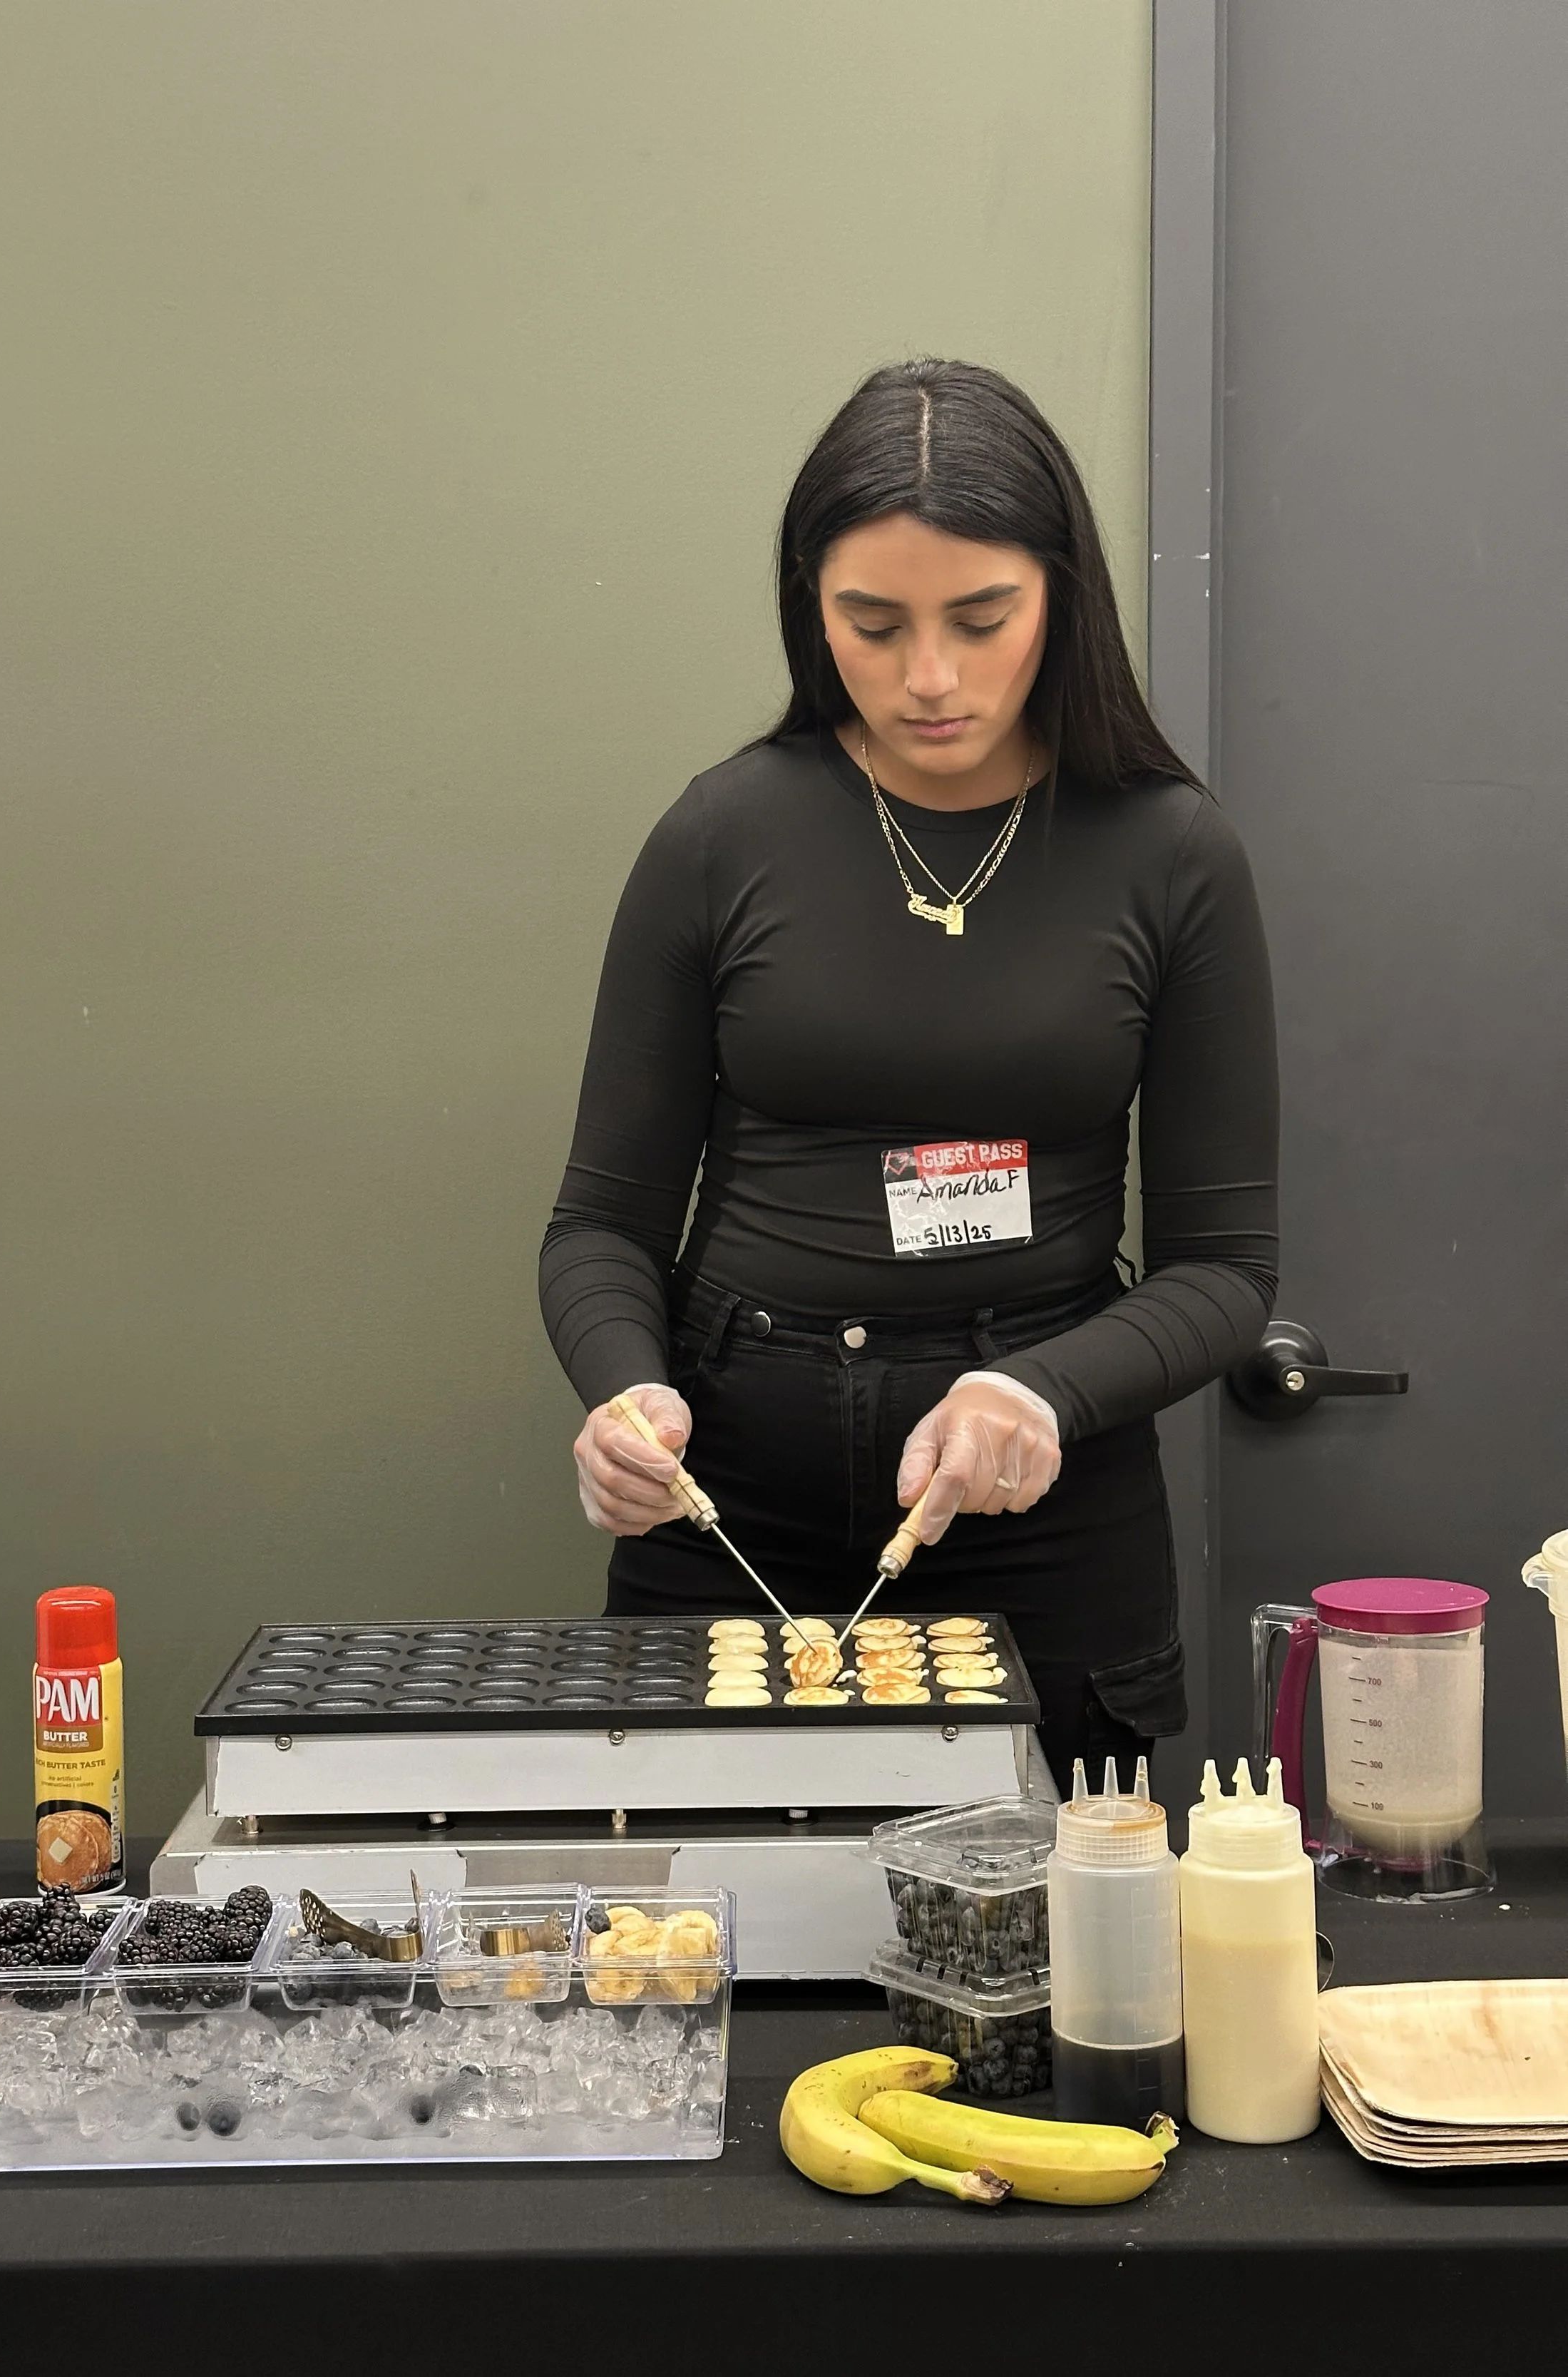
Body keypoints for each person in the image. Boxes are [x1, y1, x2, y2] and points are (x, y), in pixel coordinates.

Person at [538, 359, 1276, 1791]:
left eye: (980, 620)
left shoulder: (1167, 852)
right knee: (700, 1947)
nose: (926, 677)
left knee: (1055, 1965)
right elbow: (598, 1227)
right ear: (807, 610)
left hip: (1044, 1513)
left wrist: (1037, 1395)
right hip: (728, 1499)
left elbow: (1223, 1272)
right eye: (869, 625)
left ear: (1056, 598)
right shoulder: (723, 834)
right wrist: (627, 1397)